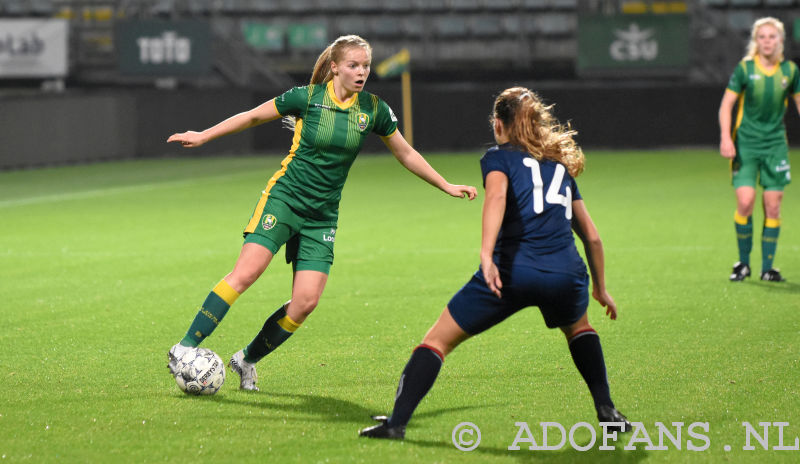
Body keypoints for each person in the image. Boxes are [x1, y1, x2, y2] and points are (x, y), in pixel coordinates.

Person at [165, 35, 477, 391]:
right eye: (353, 65)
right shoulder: (307, 98)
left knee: (305, 303)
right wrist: (204, 135)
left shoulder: (373, 109)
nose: (361, 73)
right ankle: (184, 347)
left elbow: (406, 153)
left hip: (322, 216)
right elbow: (253, 117)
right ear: (334, 67)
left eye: (366, 66)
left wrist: (446, 185)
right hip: (285, 199)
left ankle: (246, 360)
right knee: (246, 274)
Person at [359, 87, 630, 440]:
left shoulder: (498, 158)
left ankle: (396, 424)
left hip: (513, 271)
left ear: (499, 125)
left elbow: (497, 198)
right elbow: (592, 236)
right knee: (579, 328)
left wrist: (486, 256)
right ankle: (606, 409)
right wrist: (601, 287)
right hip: (567, 273)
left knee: (437, 341)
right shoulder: (559, 166)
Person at [719, 16, 799, 282]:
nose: (767, 41)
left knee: (773, 206)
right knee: (745, 201)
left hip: (775, 145)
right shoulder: (745, 68)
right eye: (762, 37)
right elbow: (726, 105)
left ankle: (767, 268)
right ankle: (743, 264)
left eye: (772, 37)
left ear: (780, 41)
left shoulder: (790, 71)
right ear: (756, 41)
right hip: (746, 145)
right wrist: (726, 138)